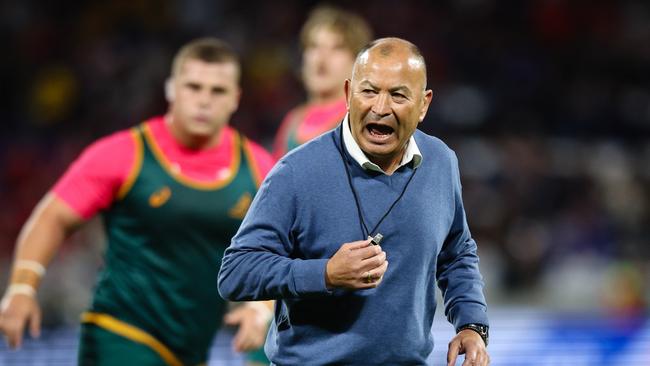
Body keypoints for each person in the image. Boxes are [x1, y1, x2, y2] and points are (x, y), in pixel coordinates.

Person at [0, 38, 275, 365]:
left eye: (217, 91)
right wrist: (22, 288)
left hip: (192, 346)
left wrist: (261, 308)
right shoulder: (125, 154)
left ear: (236, 99)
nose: (204, 101)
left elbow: (279, 245)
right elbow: (52, 217)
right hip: (121, 333)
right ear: (171, 90)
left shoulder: (258, 167)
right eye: (193, 87)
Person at [218, 38, 490, 365]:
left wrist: (472, 323)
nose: (380, 107)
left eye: (398, 95)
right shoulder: (297, 172)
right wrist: (325, 274)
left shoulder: (440, 162)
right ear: (348, 94)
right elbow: (236, 272)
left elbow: (456, 252)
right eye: (369, 91)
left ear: (423, 105)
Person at [272, 5, 372, 159]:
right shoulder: (293, 120)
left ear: (357, 62)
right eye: (314, 46)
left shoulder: (361, 121)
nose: (321, 58)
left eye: (337, 48)